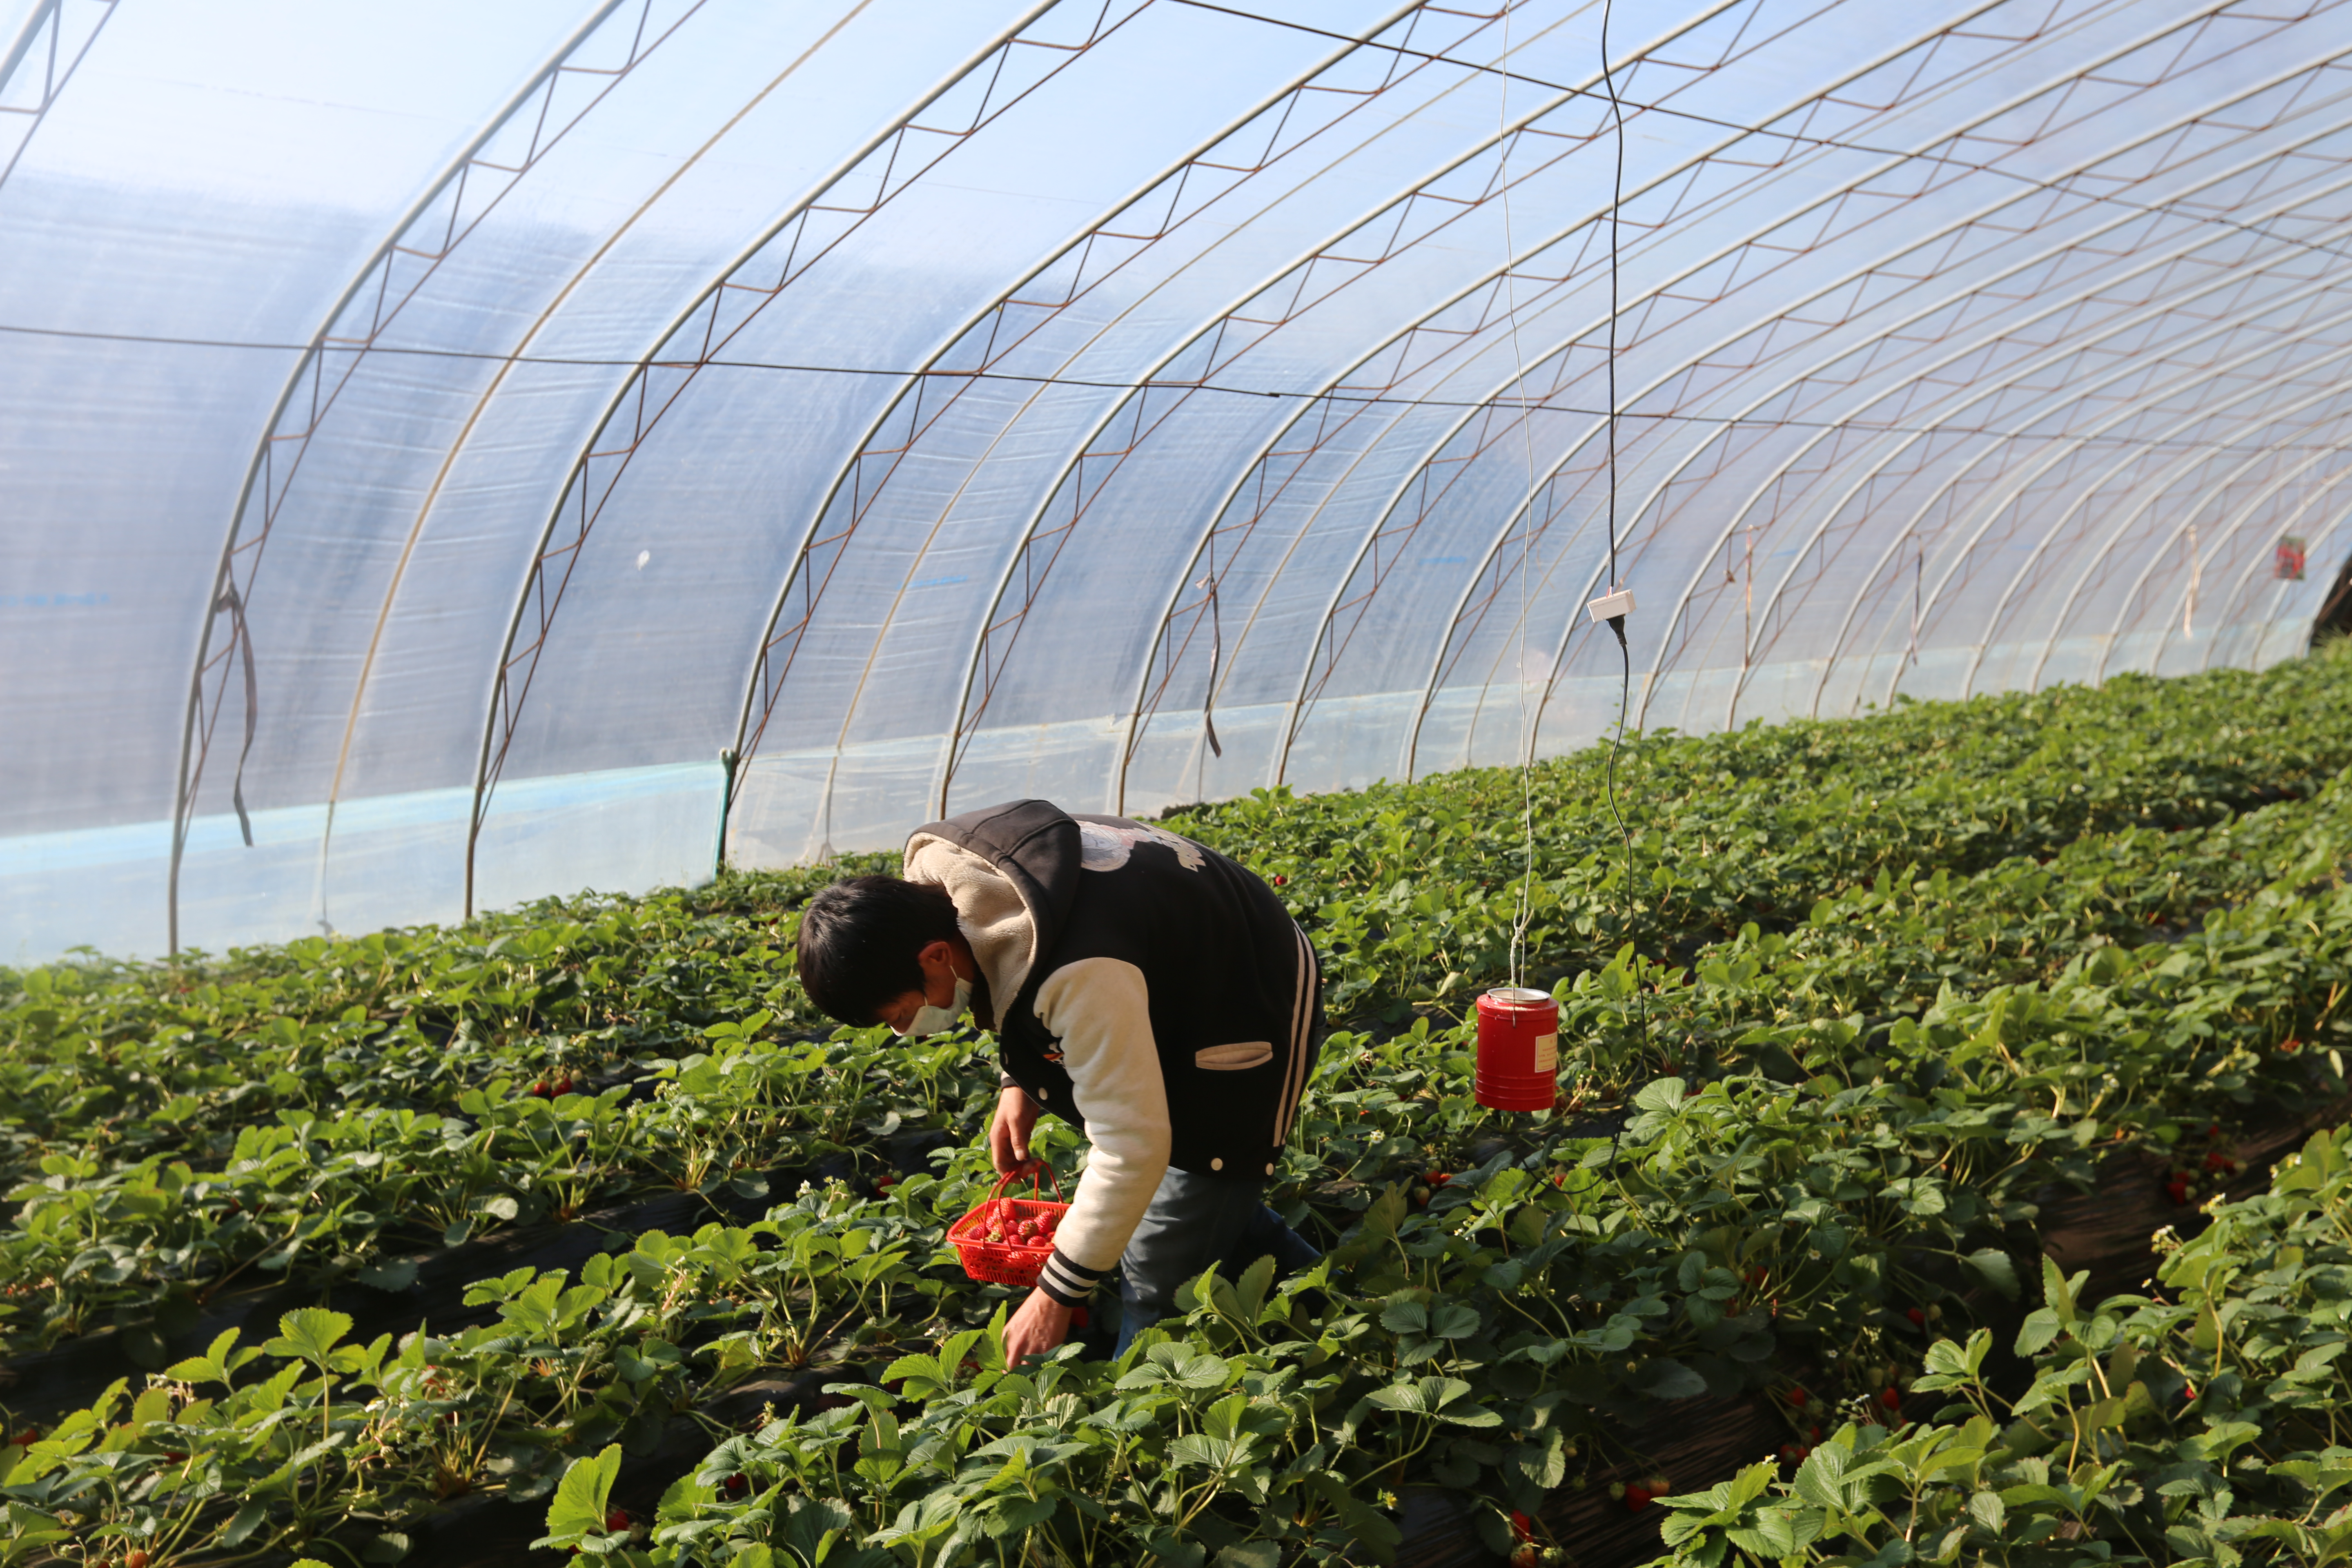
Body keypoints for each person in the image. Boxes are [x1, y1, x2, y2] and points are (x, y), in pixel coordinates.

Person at [794, 797, 1323, 1360]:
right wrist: (1016, 1082)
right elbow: (1014, 969)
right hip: (1168, 971)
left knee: (1157, 1266)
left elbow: (1131, 1146)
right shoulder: (955, 895)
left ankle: (1142, 1415)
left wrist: (1056, 1292)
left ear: (933, 957)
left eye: (902, 1015)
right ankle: (1327, 1300)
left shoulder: (1082, 968)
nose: (908, 1032)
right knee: (1196, 1209)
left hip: (1251, 985)